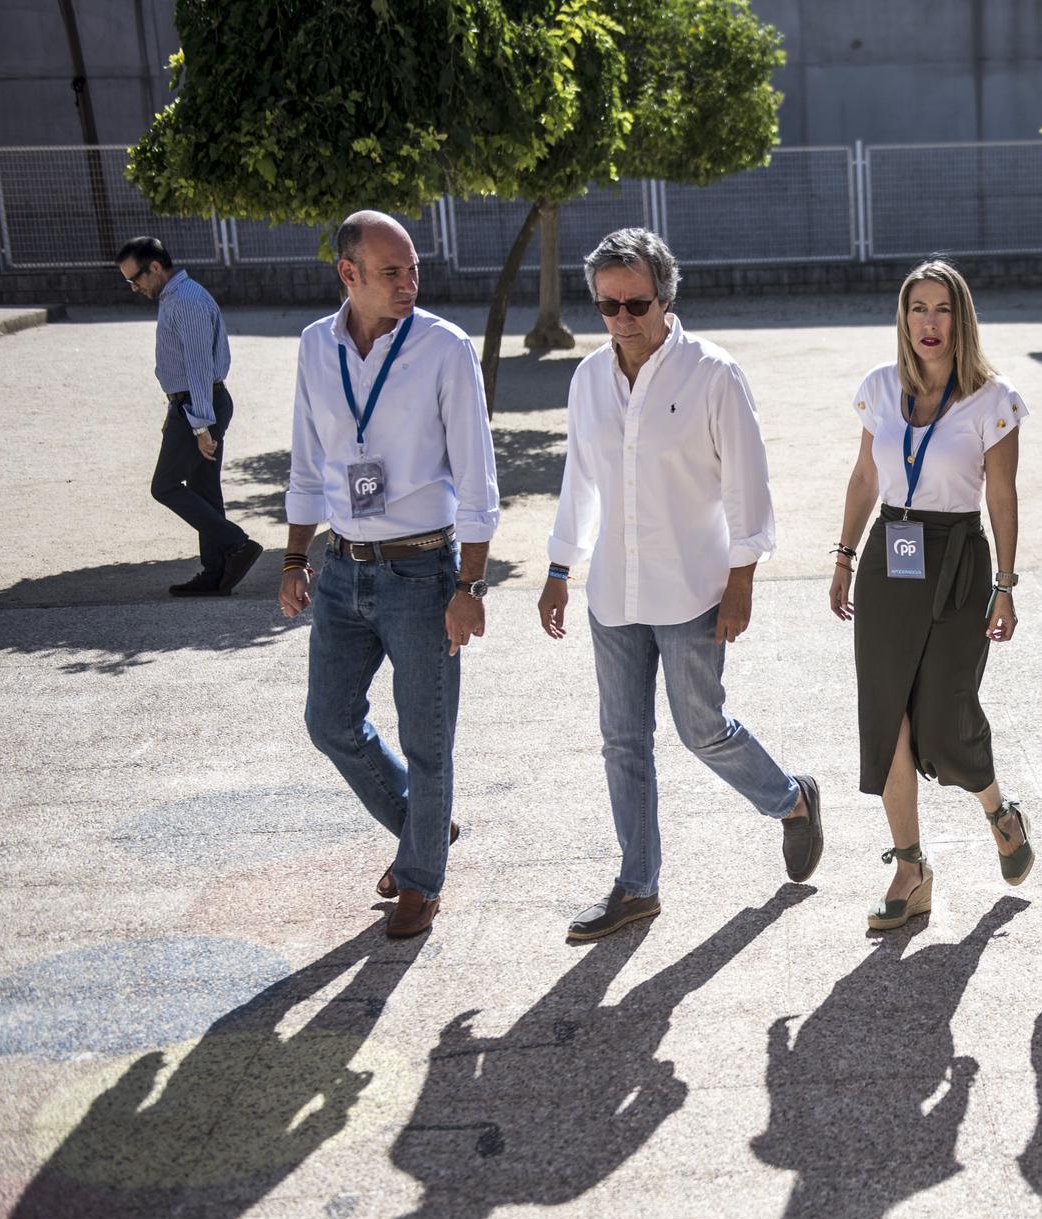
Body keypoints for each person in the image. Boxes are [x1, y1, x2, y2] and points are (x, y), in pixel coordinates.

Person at [540, 228, 823, 942]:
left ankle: (791, 800)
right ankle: (638, 885)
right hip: (614, 593)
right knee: (622, 740)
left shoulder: (713, 373)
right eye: (608, 305)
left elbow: (746, 486)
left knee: (701, 728)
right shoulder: (587, 381)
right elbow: (580, 481)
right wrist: (557, 567)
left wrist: (742, 580)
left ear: (666, 295)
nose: (623, 318)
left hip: (694, 588)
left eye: (636, 302)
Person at [277, 211, 499, 940]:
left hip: (423, 571)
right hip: (342, 567)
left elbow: (476, 474)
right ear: (349, 275)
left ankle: (421, 879)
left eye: (413, 270)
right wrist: (293, 557)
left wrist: (470, 586)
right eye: (391, 272)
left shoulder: (444, 348)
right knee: (329, 720)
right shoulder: (316, 347)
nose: (409, 284)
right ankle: (424, 830)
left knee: (428, 739)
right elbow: (308, 464)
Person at [828, 260, 1034, 930]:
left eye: (942, 309)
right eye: (917, 308)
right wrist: (843, 555)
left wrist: (1005, 583)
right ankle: (910, 869)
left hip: (958, 561)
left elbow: (1000, 495)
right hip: (891, 557)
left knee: (944, 714)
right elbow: (866, 475)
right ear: (903, 316)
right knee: (886, 713)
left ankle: (999, 811)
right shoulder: (879, 389)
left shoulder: (992, 398)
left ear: (961, 318)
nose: (929, 322)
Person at [115, 236, 262, 596]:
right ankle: (215, 575)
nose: (133, 288)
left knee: (164, 486)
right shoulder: (173, 298)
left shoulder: (188, 301)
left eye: (135, 279)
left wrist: (199, 424)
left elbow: (199, 367)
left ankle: (238, 544)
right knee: (204, 490)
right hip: (193, 405)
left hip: (201, 405)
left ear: (155, 267)